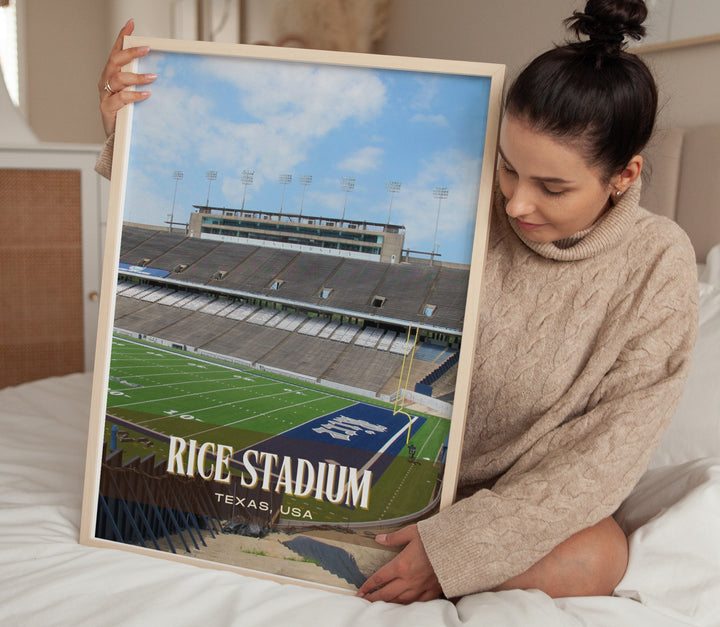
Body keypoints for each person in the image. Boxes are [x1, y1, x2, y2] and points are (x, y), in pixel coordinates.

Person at [96, 0, 698, 604]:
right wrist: (132, 134)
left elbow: (605, 458)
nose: (516, 204)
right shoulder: (471, 204)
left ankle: (365, 555)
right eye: (509, 170)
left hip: (512, 504)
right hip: (407, 477)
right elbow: (317, 161)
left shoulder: (657, 264)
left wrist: (461, 548)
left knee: (599, 556)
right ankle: (345, 543)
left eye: (553, 187)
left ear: (624, 176)